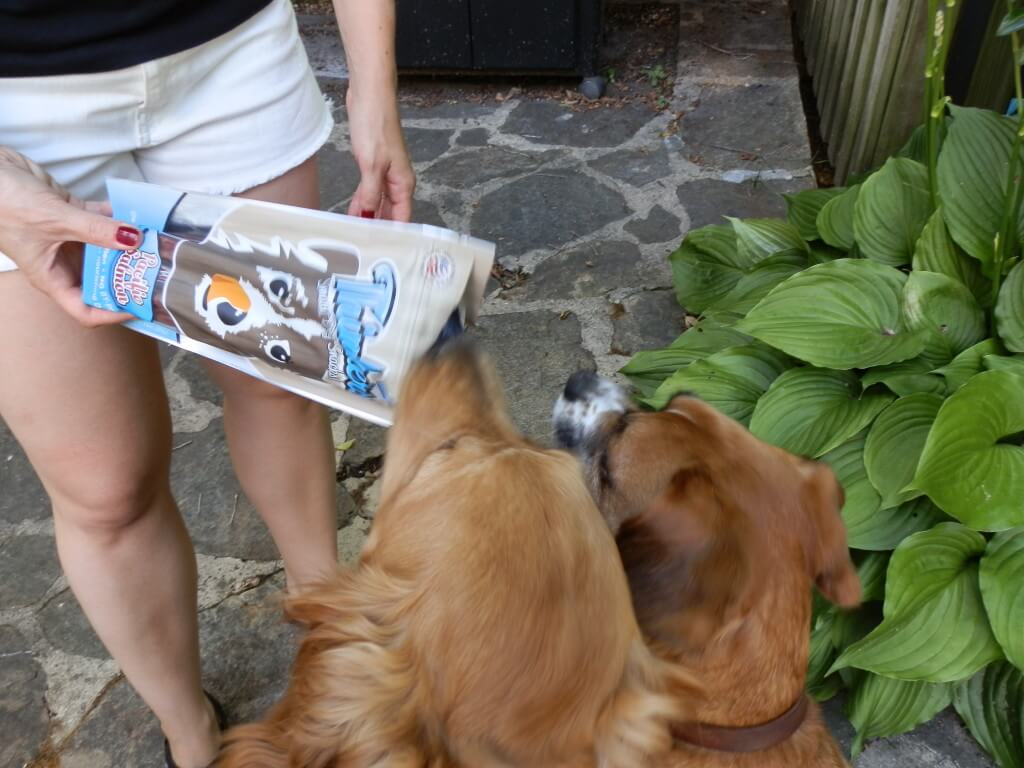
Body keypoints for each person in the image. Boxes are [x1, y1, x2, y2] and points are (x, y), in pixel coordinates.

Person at [0, 1, 415, 766]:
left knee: (280, 386)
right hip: (13, 116)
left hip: (228, 55)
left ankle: (334, 652)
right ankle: (191, 736)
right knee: (105, 489)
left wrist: (373, 86)